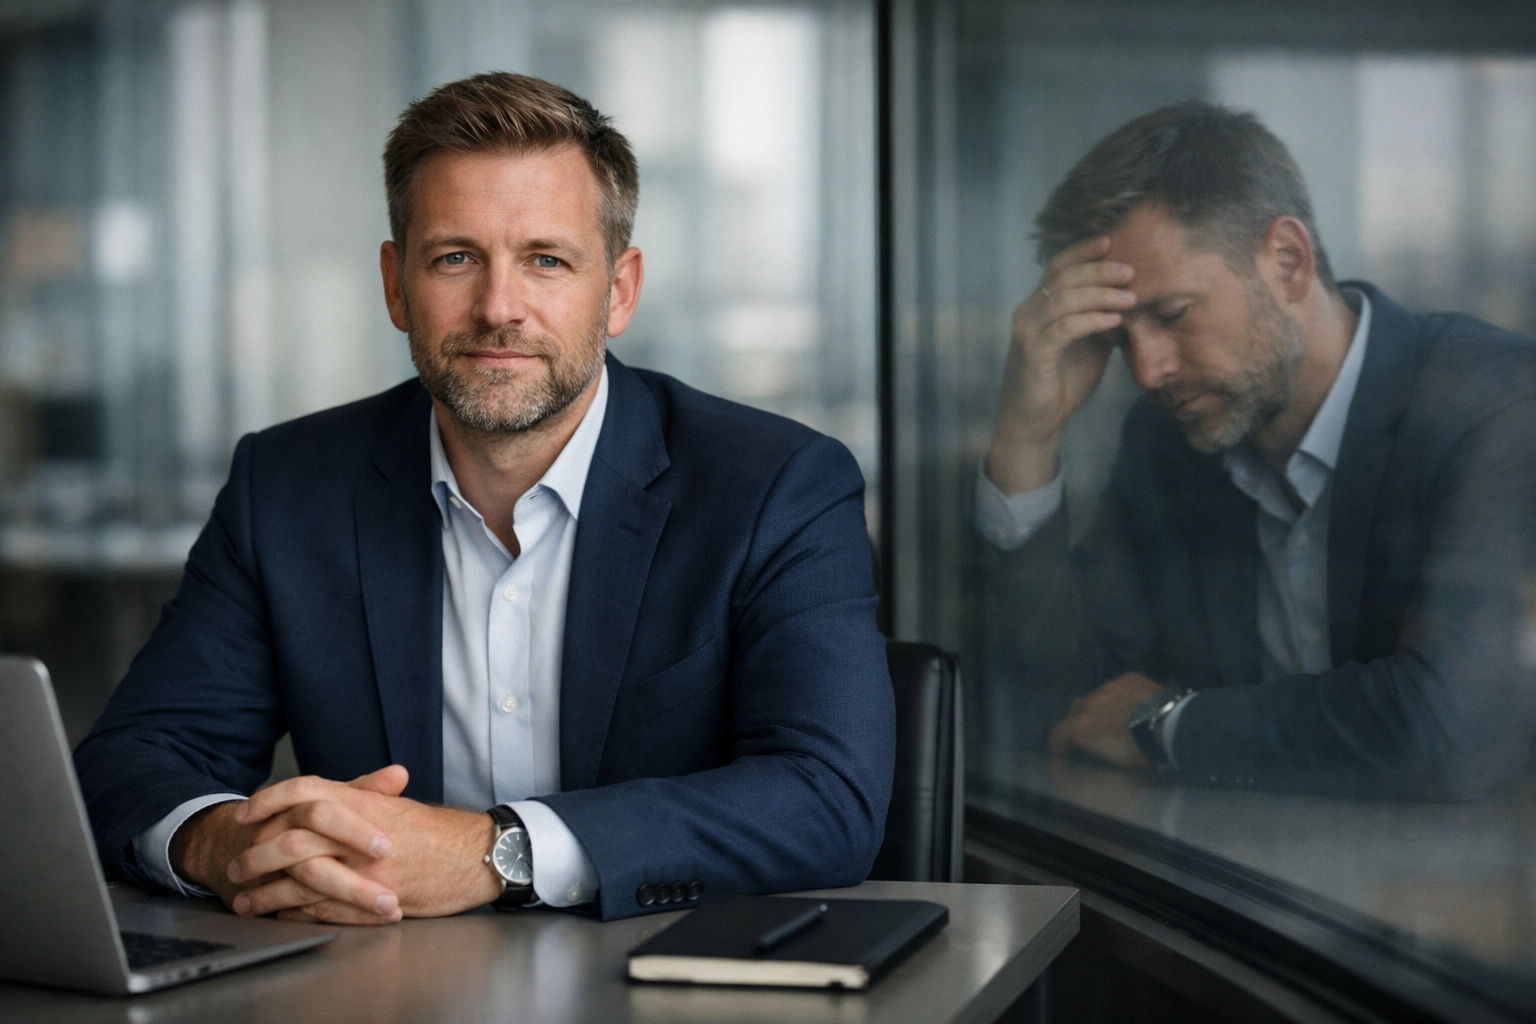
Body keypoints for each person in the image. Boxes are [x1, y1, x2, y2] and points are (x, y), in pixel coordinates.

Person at [75, 72, 894, 925]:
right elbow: (137, 756)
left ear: (617, 290)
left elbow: (824, 796)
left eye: (546, 260)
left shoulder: (776, 485)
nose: (499, 308)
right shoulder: (285, 487)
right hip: (373, 988)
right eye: (455, 258)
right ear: (397, 285)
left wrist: (492, 853)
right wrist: (224, 844)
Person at [977, 101, 1536, 799]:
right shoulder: (1168, 446)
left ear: (1287, 261)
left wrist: (1170, 725)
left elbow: (1451, 731)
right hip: (1249, 883)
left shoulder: (1490, 405)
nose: (1148, 371)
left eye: (1173, 314)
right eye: (1122, 339)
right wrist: (1026, 443)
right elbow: (1076, 709)